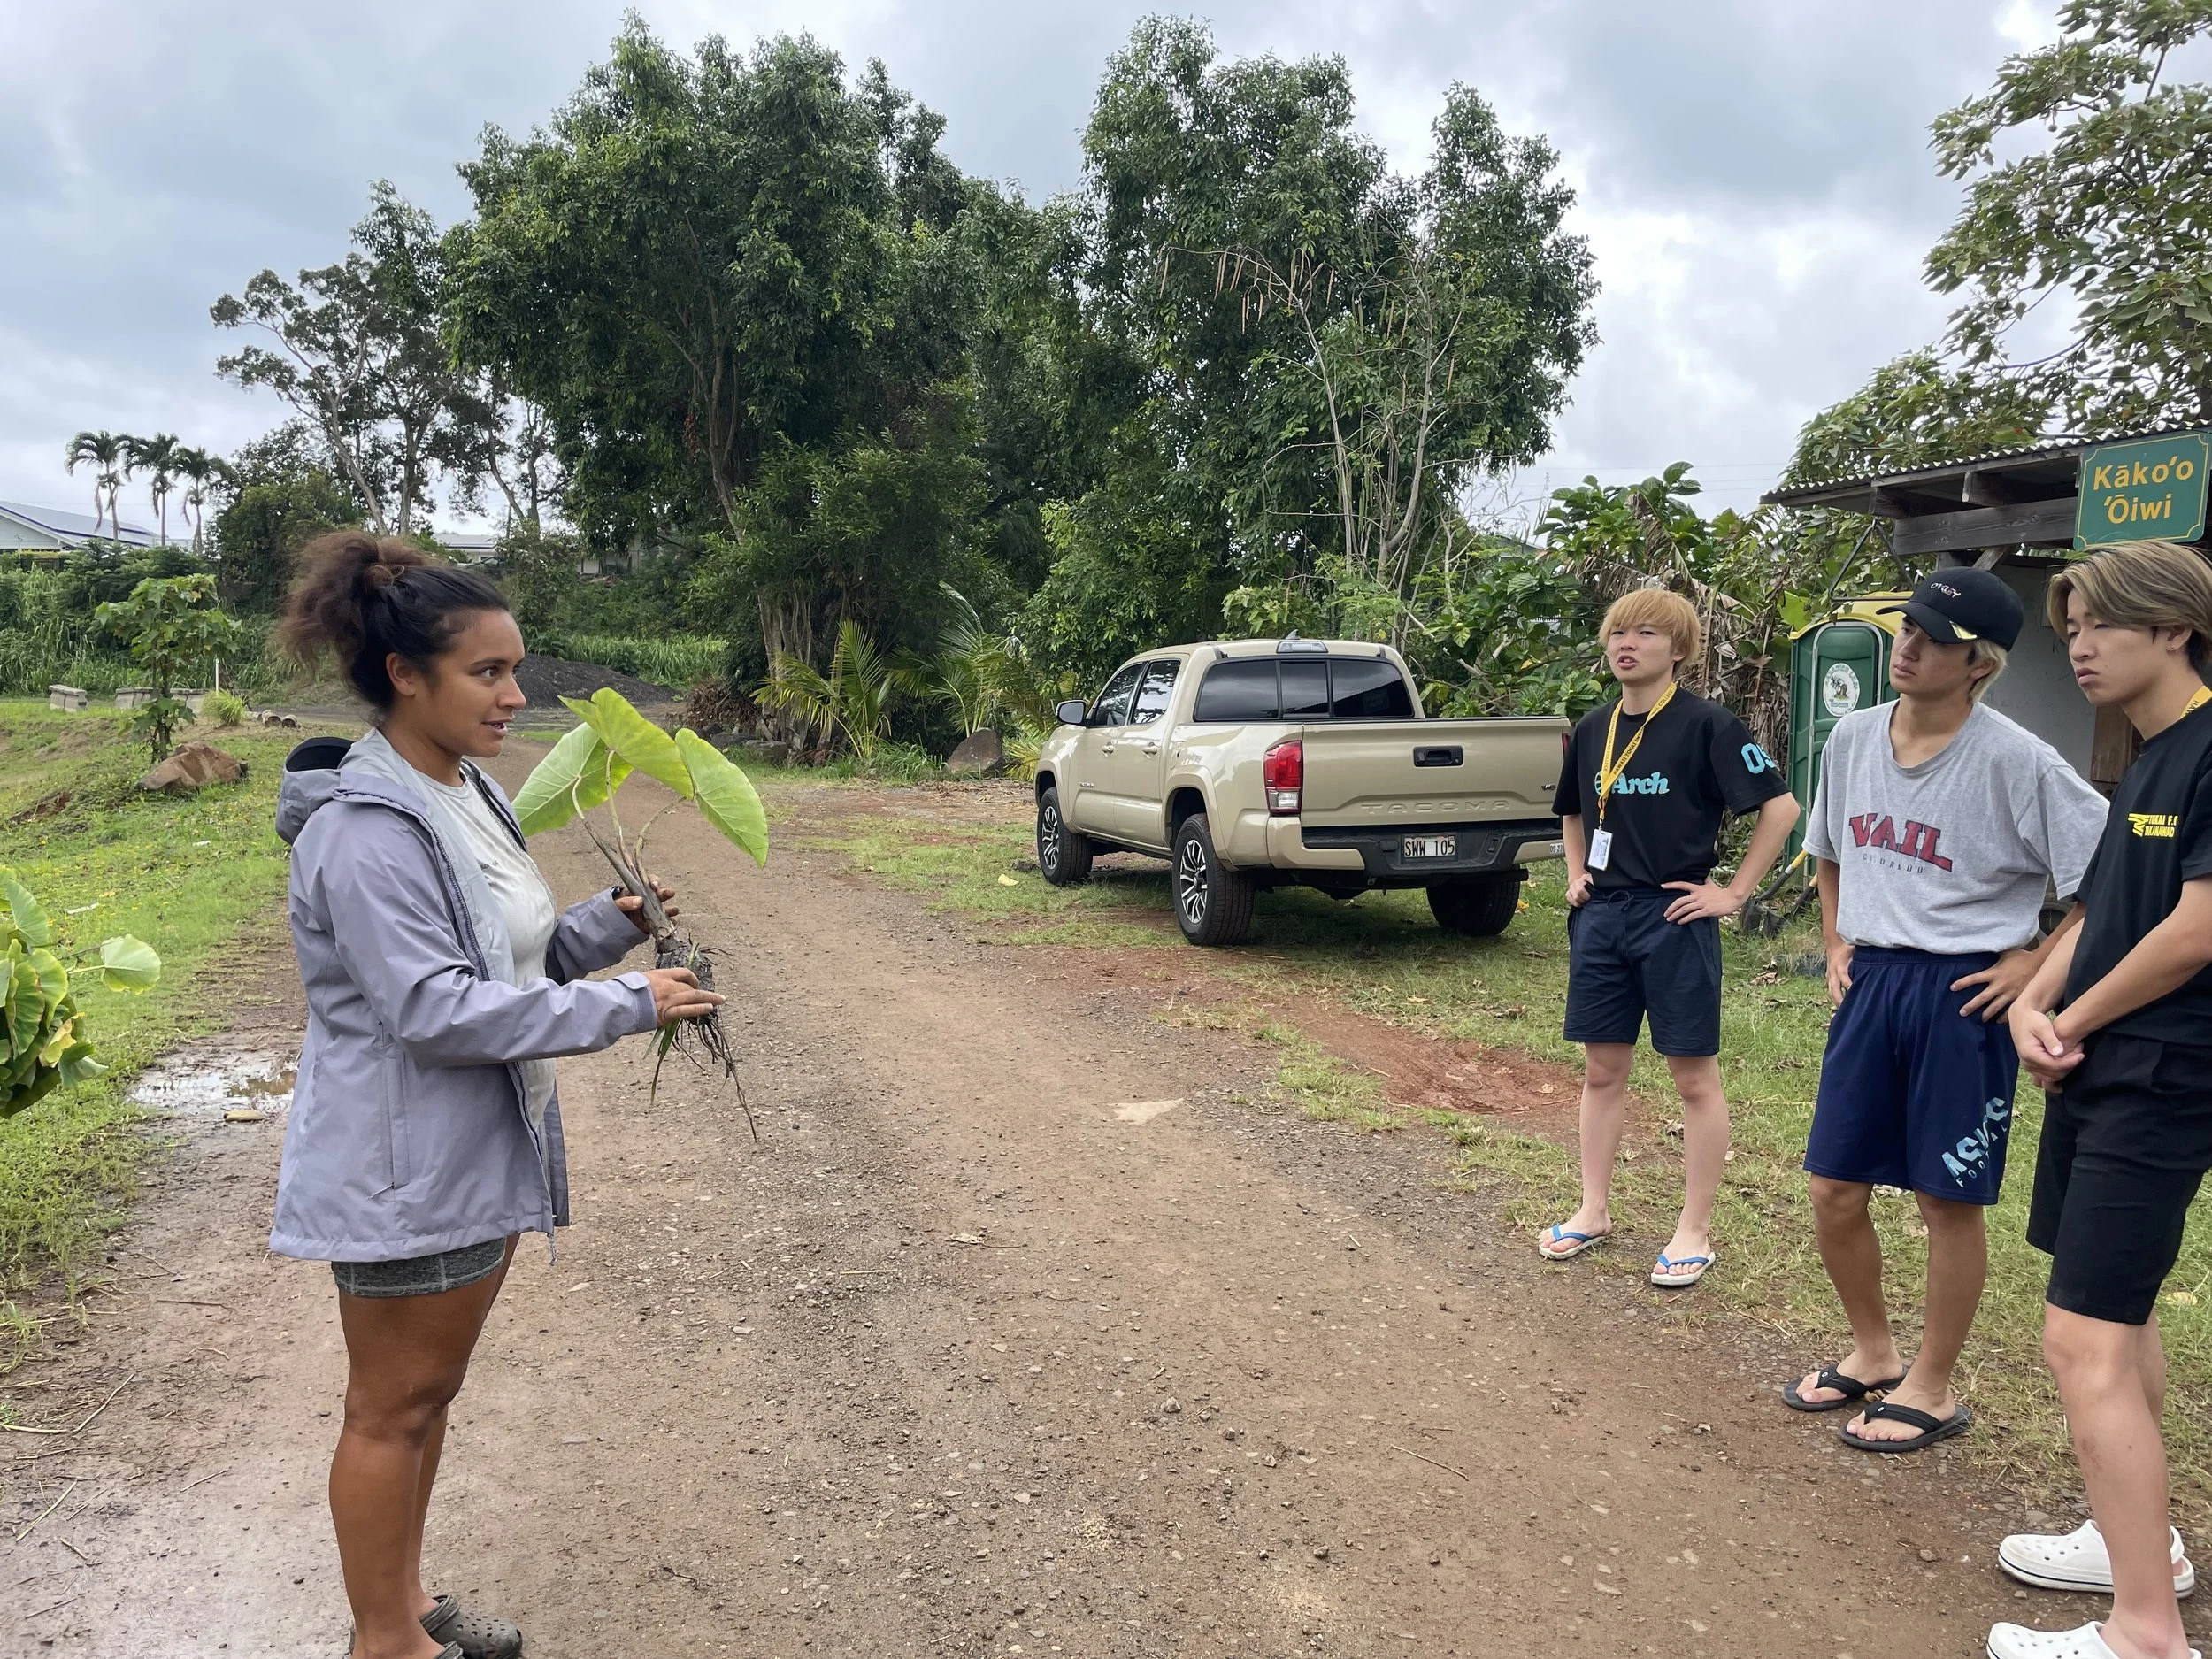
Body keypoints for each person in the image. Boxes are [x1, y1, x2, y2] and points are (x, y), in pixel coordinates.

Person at [270, 533, 722, 1659]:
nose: (515, 696)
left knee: (429, 1400)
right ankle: (386, 1643)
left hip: (468, 1156)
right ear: (401, 676)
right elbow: (436, 1009)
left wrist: (598, 928)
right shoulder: (365, 833)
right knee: (392, 1407)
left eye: (514, 670)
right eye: (486, 673)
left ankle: (407, 1605)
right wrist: (628, 1005)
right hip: (405, 1169)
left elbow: (501, 964)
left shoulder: (464, 789)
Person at [1783, 568, 2105, 1455]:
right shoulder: (1851, 738)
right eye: (1906, 628)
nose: (1909, 646)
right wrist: (1838, 938)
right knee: (1833, 1189)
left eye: (1932, 637)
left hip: (1962, 996)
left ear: (1979, 663)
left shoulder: (2017, 758)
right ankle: (1873, 1349)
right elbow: (1829, 848)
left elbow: (2106, 880)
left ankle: (1930, 1385)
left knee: (1943, 1200)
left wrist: (2033, 965)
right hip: (1873, 983)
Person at [1990, 540, 2212, 1659]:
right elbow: (2103, 910)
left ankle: (2144, 1635)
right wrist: (2037, 995)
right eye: (2068, 624)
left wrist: (2065, 1022)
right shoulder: (2148, 758)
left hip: (2162, 1077)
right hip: (2100, 1070)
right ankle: (2146, 1548)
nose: (2075, 643)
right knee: (2112, 1329)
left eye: (2100, 624)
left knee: (2080, 1341)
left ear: (2174, 627)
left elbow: (2196, 930)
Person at [1542, 588, 1800, 1286]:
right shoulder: (1594, 725)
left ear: (1679, 649)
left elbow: (1781, 806)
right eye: (1617, 631)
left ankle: (1694, 1229)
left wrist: (1734, 893)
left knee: (1693, 1078)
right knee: (1602, 1069)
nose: (1627, 643)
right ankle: (1592, 1209)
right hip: (1603, 917)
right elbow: (1571, 811)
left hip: (1675, 916)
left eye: (1647, 633)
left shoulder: (1709, 725)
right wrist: (1575, 875)